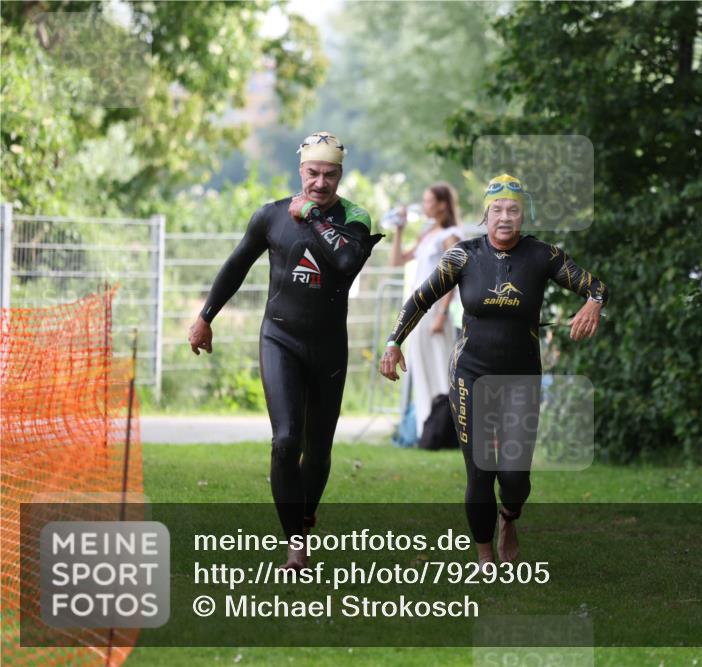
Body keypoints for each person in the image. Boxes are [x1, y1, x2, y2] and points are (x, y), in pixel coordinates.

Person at [379, 174, 608, 566]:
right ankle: (485, 554)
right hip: (471, 375)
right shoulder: (463, 256)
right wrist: (393, 342)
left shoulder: (543, 256)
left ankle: (509, 518)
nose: (505, 217)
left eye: (513, 210)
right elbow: (420, 298)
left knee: (516, 476)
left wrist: (593, 303)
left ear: (524, 216)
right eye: (498, 209)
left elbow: (596, 285)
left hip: (521, 377)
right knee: (481, 471)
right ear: (486, 214)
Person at [187, 131, 383, 570]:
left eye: (329, 175)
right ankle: (295, 540)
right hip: (280, 339)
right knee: (285, 439)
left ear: (340, 176)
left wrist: (312, 215)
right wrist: (205, 317)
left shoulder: (355, 217)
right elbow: (237, 264)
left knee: (318, 451)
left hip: (329, 346)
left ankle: (305, 515)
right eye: (313, 173)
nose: (320, 182)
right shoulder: (270, 216)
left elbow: (347, 261)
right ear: (301, 171)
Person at [389, 183, 465, 440]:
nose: (425, 206)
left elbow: (453, 278)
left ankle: (449, 431)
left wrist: (442, 313)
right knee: (421, 367)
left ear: (442, 204)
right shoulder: (427, 235)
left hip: (435, 312)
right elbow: (397, 260)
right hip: (418, 310)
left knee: (442, 366)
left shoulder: (450, 235)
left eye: (429, 201)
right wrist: (399, 229)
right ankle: (427, 430)